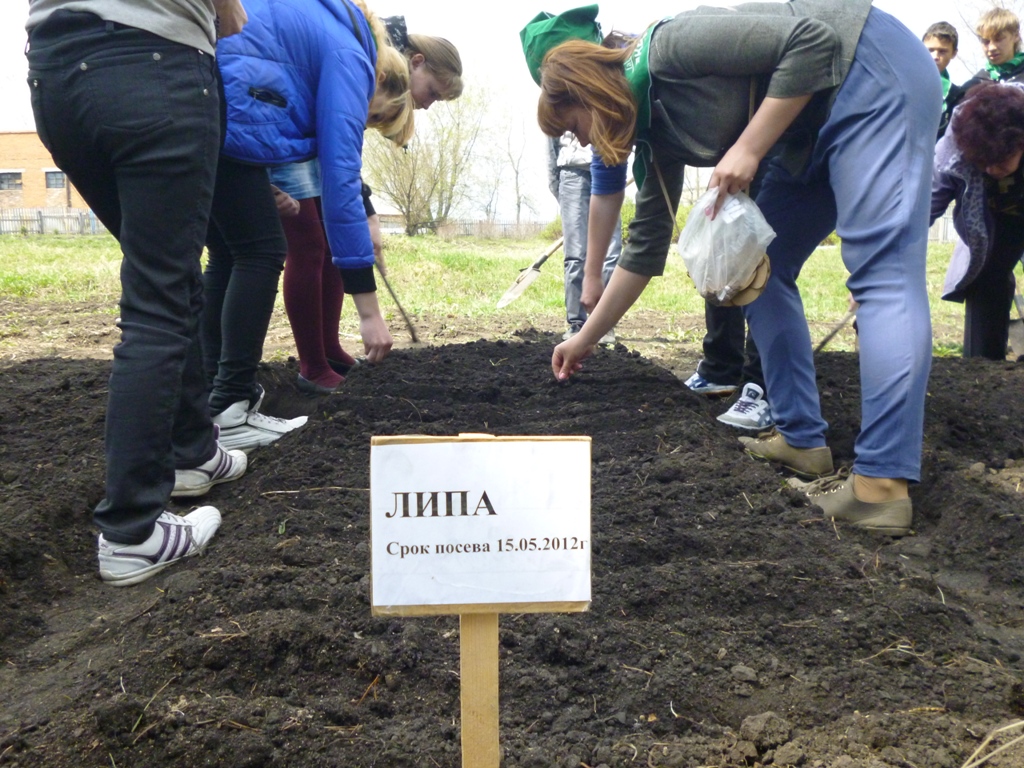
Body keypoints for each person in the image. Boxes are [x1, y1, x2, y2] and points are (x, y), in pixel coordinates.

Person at [522, 0, 940, 536]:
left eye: (572, 125)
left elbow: (810, 41)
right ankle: (801, 438)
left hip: (871, 71)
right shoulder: (654, 134)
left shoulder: (670, 46)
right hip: (805, 129)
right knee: (755, 272)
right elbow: (645, 250)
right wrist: (584, 342)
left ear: (588, 91)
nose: (579, 140)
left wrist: (747, 146)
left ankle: (881, 486)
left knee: (881, 274)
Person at [25, 0, 250, 585]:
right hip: (155, 68)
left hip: (56, 73)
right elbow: (232, 20)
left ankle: (194, 452)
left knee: (169, 280)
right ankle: (132, 532)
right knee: (158, 301)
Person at [202, 0, 415, 449]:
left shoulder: (325, 27)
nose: (364, 121)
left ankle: (210, 397)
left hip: (196, 93)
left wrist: (259, 180)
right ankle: (229, 404)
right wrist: (369, 312)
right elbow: (340, 180)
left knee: (226, 252)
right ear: (379, 81)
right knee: (260, 252)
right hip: (221, 106)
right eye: (372, 115)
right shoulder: (352, 56)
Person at [273, 24, 463, 395]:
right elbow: (339, 159)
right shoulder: (367, 62)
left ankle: (327, 351)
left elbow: (344, 158)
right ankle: (312, 366)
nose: (427, 104)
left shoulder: (375, 64)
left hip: (303, 141)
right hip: (282, 127)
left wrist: (369, 216)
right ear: (417, 63)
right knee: (310, 243)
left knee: (328, 245)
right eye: (433, 93)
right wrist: (369, 312)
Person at [931, 81, 1024, 361]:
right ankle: (982, 369)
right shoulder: (955, 147)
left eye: (1001, 161)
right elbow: (924, 207)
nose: (993, 170)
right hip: (994, 220)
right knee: (986, 279)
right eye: (984, 163)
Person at [549, 132, 622, 342]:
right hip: (571, 174)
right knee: (575, 254)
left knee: (611, 253)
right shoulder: (557, 101)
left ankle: (604, 324)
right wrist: (557, 183)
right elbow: (550, 144)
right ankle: (576, 324)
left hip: (608, 166)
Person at [961, 8, 1024, 92]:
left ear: (1016, 36)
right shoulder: (974, 85)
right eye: (986, 42)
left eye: (998, 39)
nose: (991, 48)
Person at [923, 21, 964, 140]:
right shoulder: (904, 82)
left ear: (954, 53)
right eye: (930, 50)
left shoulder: (956, 95)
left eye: (942, 51)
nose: (935, 56)